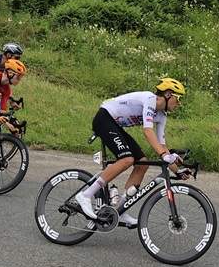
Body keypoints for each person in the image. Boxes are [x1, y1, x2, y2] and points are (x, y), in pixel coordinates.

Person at [75, 78, 185, 226]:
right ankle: (85, 195)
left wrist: (177, 171)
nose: (179, 103)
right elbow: (147, 131)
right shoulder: (150, 99)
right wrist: (164, 156)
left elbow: (162, 146)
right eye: (178, 99)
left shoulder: (161, 115)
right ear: (168, 94)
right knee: (127, 159)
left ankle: (119, 211)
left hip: (115, 125)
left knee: (142, 164)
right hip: (104, 118)